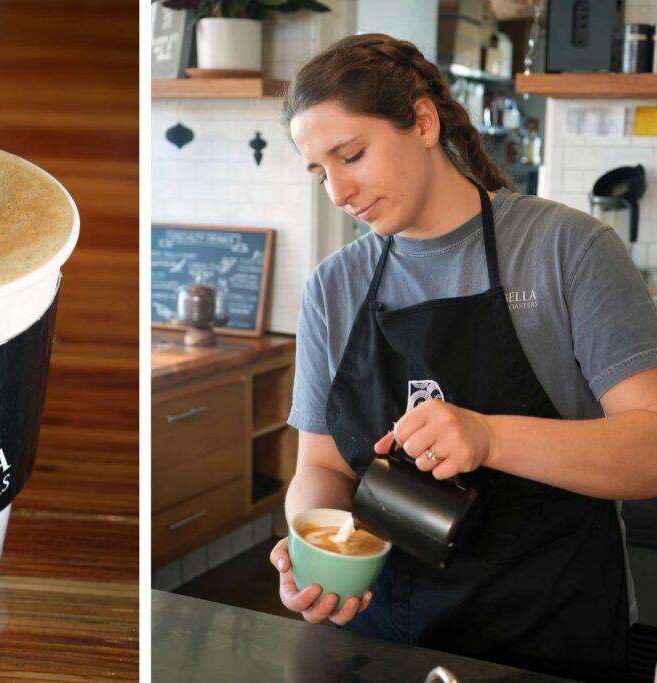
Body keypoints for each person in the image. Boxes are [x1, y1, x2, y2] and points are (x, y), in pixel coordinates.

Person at [269, 33, 657, 682]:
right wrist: (318, 545)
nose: (337, 191)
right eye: (320, 171)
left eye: (352, 155)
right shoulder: (333, 288)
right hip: (385, 642)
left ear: (423, 122)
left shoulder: (568, 250)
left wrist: (489, 435)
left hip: (551, 637)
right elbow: (320, 464)